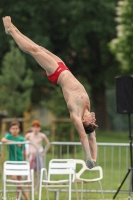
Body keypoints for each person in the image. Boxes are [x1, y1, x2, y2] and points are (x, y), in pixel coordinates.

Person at [2, 16, 98, 168]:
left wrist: (88, 158)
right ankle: (12, 28)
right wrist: (94, 157)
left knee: (33, 50)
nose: (93, 119)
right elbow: (93, 138)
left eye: (91, 122)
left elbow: (84, 137)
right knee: (37, 47)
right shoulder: (87, 108)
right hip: (63, 68)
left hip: (57, 74)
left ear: (84, 122)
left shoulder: (77, 115)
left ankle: (11, 31)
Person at [1, 121, 30, 200]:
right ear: (10, 130)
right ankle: (27, 197)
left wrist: (25, 162)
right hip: (11, 162)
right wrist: (14, 142)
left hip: (20, 161)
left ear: (19, 130)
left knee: (19, 181)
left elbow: (24, 151)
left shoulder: (21, 138)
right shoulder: (8, 136)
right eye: (13, 128)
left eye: (16, 128)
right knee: (14, 178)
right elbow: (3, 140)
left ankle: (18, 197)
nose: (14, 130)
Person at [25, 120, 50, 191]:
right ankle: (28, 187)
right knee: (29, 171)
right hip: (30, 155)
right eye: (34, 127)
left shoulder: (42, 135)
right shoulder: (28, 135)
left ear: (39, 128)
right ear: (32, 128)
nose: (36, 128)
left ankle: (35, 188)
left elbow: (48, 144)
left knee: (37, 173)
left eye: (37, 127)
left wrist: (44, 152)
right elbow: (23, 144)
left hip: (38, 155)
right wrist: (26, 152)